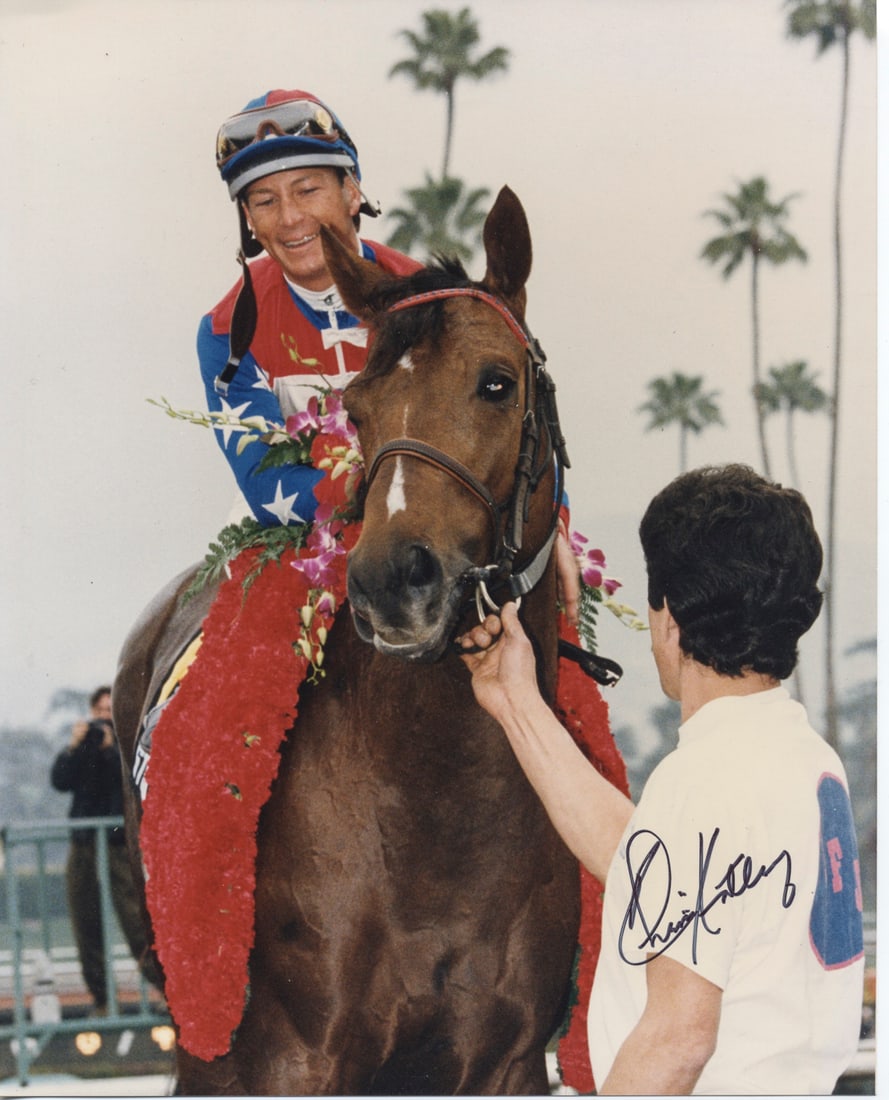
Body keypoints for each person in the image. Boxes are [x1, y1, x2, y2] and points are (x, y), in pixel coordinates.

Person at [459, 464, 864, 1094]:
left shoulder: (705, 782)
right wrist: (514, 698)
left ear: (668, 616)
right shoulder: (805, 760)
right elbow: (650, 865)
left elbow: (678, 1042)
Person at [199, 88, 581, 617]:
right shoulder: (225, 331)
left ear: (352, 192)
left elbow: (510, 418)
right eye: (265, 201)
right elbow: (266, 483)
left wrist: (555, 520)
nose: (290, 218)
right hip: (290, 542)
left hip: (437, 531)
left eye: (307, 190)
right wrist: (375, 500)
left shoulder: (431, 301)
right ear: (249, 220)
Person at [51, 686, 160, 1012]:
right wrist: (73, 747)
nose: (103, 719)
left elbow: (131, 781)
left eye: (109, 711)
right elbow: (60, 781)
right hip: (84, 840)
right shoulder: (84, 745)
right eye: (99, 711)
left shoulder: (129, 744)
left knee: (134, 921)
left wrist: (113, 750)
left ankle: (166, 988)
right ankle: (100, 996)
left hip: (116, 842)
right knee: (84, 920)